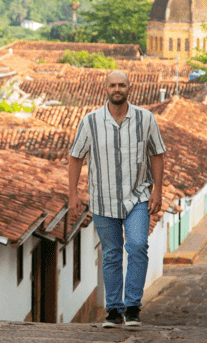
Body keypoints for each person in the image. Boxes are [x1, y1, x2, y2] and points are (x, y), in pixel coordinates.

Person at [68, 71, 165, 327]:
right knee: (111, 254)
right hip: (103, 199)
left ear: (129, 88)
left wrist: (158, 190)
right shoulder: (90, 122)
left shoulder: (146, 119)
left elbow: (157, 154)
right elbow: (76, 157)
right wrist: (73, 195)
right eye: (113, 85)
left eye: (122, 84)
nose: (117, 89)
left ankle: (132, 306)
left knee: (137, 246)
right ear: (106, 88)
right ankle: (113, 310)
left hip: (138, 196)